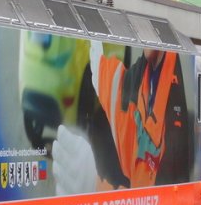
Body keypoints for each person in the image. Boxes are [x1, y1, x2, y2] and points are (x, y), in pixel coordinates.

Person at [53, 41, 190, 194]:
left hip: (155, 200)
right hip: (145, 202)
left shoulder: (165, 86)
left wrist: (93, 188)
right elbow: (124, 108)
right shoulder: (141, 79)